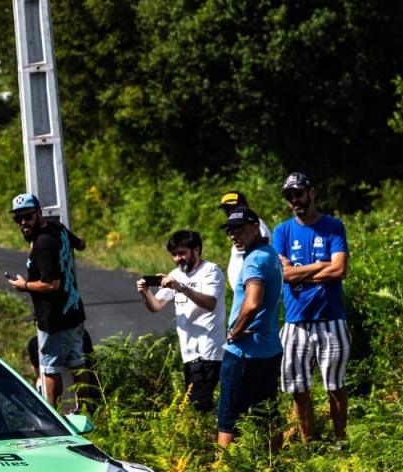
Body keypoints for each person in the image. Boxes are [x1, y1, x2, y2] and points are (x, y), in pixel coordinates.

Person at [271, 172, 350, 442]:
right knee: (298, 388)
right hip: (296, 321)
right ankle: (309, 446)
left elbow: (339, 269)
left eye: (298, 193)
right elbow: (283, 274)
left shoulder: (333, 227)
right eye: (289, 196)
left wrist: (299, 273)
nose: (294, 199)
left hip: (331, 319)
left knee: (335, 386)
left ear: (310, 193)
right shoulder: (282, 231)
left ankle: (340, 442)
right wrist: (319, 266)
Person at [7, 193, 87, 407]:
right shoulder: (58, 228)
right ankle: (90, 410)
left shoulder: (43, 244)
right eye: (18, 218)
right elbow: (81, 244)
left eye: (28, 216)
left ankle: (53, 415)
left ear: (39, 213)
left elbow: (52, 284)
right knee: (78, 364)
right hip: (74, 312)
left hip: (55, 320)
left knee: (49, 368)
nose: (23, 223)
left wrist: (23, 285)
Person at [137, 230, 227, 412]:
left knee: (196, 407)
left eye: (182, 253)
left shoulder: (211, 271)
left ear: (196, 250)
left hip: (208, 350)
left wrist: (181, 288)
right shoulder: (175, 274)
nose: (178, 258)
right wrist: (145, 293)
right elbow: (156, 306)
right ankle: (214, 428)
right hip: (189, 353)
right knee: (199, 407)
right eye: (174, 254)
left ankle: (213, 429)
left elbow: (210, 303)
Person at [217, 207, 283, 447]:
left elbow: (252, 302)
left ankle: (225, 469)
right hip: (269, 348)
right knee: (267, 412)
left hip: (245, 350)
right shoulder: (270, 254)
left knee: (228, 416)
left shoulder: (254, 260)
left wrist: (234, 333)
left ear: (256, 227)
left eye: (240, 229)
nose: (234, 235)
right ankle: (276, 462)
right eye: (230, 230)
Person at [219, 190, 273, 292]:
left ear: (245, 205)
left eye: (234, 207)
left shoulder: (254, 225)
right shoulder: (242, 230)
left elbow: (261, 253)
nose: (231, 212)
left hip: (253, 288)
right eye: (226, 209)